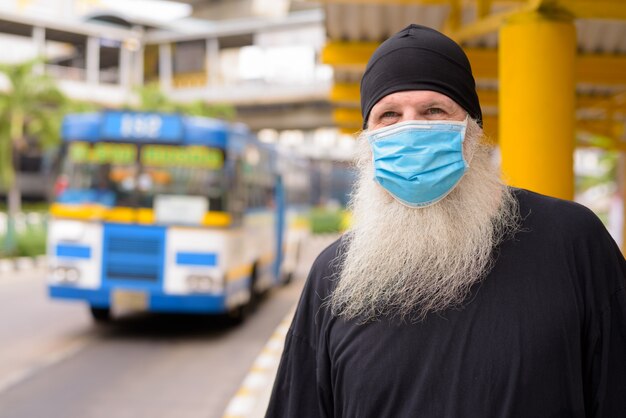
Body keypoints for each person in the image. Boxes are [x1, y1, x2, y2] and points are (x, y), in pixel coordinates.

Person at [265, 24, 626, 417]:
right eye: (389, 115)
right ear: (367, 140)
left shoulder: (572, 242)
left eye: (433, 110)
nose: (411, 128)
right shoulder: (334, 275)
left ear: (471, 130)